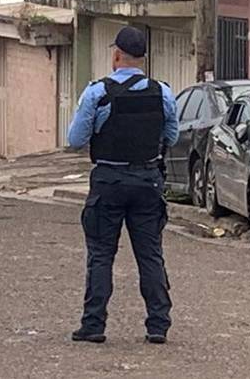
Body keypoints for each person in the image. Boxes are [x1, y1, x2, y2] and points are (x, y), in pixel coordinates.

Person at [68, 26, 179, 345]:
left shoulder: (97, 93)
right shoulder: (162, 92)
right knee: (150, 254)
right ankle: (158, 324)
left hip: (109, 181)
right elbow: (171, 136)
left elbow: (75, 140)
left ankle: (94, 324)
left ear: (116, 55)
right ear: (143, 59)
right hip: (148, 181)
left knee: (101, 254)